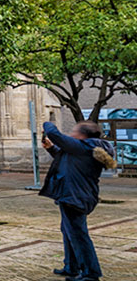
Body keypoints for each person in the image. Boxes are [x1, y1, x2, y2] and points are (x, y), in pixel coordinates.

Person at [41, 120, 117, 281]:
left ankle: (91, 273)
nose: (71, 134)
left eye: (74, 132)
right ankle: (71, 266)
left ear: (82, 135)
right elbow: (70, 162)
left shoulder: (85, 146)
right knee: (69, 231)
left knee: (78, 235)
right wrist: (51, 149)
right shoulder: (85, 149)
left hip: (75, 196)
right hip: (74, 194)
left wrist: (47, 122)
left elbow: (54, 134)